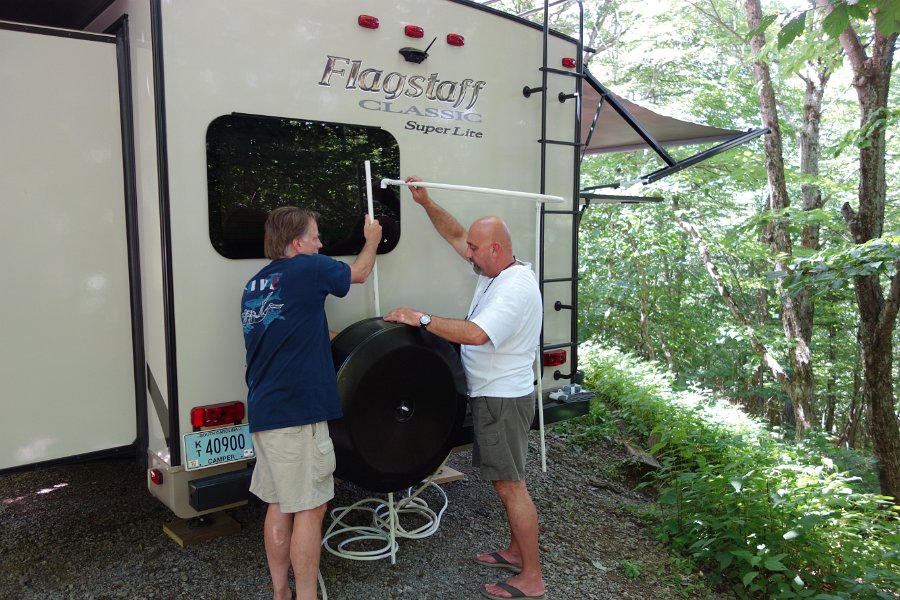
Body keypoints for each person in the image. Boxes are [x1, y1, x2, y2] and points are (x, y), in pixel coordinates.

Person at [384, 177, 546, 600]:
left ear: (496, 249)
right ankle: (514, 551)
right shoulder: (493, 268)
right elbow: (455, 233)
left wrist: (419, 318)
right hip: (493, 395)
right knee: (504, 482)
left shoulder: (515, 288)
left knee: (512, 485)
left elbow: (475, 334)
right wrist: (425, 202)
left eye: (475, 249)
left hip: (503, 398)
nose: (467, 253)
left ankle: (532, 578)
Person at [241, 206, 382, 600]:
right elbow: (359, 273)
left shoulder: (256, 286)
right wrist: (371, 240)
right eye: (316, 236)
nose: (321, 244)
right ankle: (305, 596)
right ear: (296, 242)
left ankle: (281, 592)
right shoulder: (309, 268)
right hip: (298, 414)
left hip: (266, 412)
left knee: (279, 502)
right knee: (311, 507)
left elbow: (297, 330)